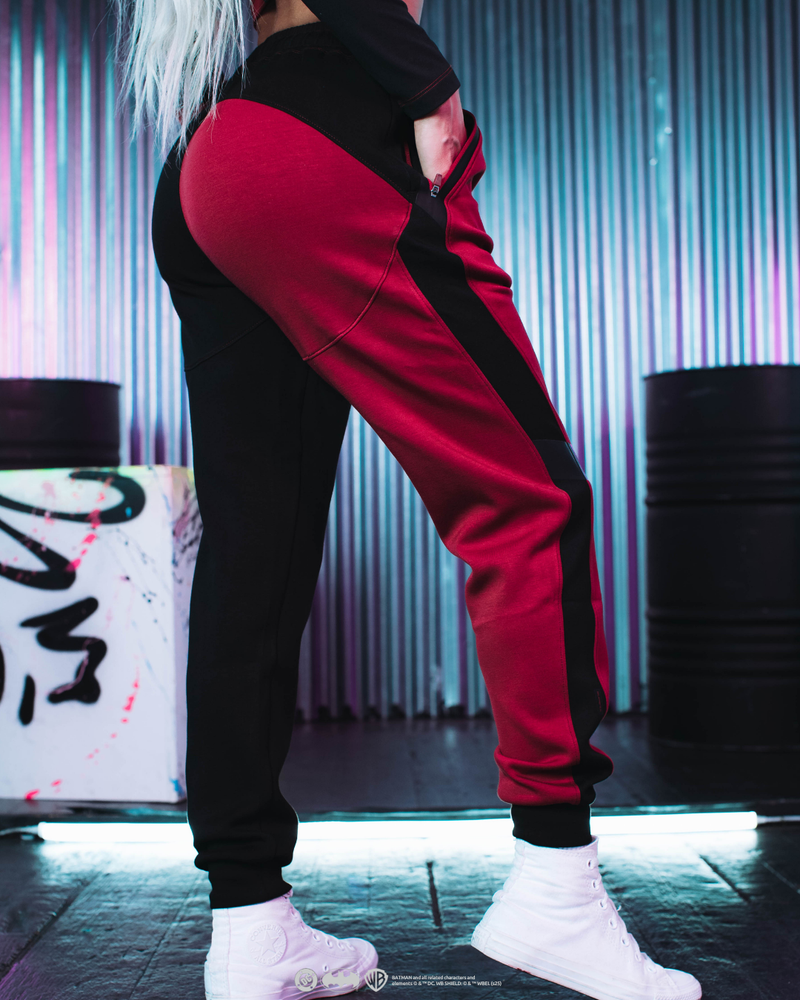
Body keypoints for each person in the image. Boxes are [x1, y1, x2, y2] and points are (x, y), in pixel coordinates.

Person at [114, 1, 703, 998]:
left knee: (254, 551)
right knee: (530, 498)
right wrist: (427, 84)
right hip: (329, 128)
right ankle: (556, 887)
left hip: (214, 155)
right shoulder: (388, 79)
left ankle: (251, 925)